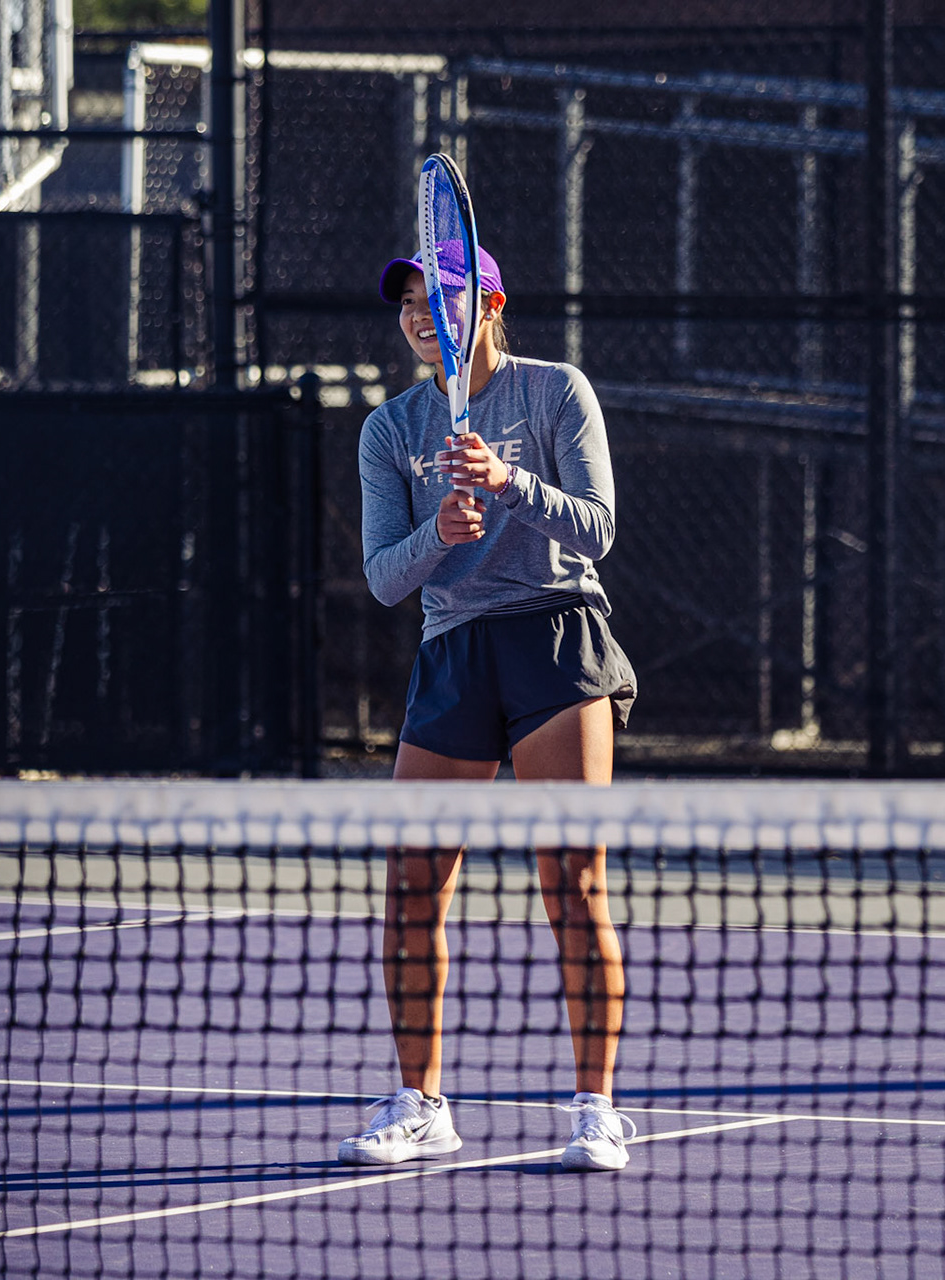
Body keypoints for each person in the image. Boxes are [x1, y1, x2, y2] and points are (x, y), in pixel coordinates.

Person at [338, 241, 639, 1172]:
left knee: (571, 881)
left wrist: (510, 485)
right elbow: (387, 578)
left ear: (491, 302)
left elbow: (598, 526)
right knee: (411, 885)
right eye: (409, 304)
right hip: (453, 650)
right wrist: (442, 530)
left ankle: (597, 1110)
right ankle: (422, 1104)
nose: (421, 316)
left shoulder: (555, 392)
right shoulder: (391, 431)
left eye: (442, 298)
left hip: (556, 634)